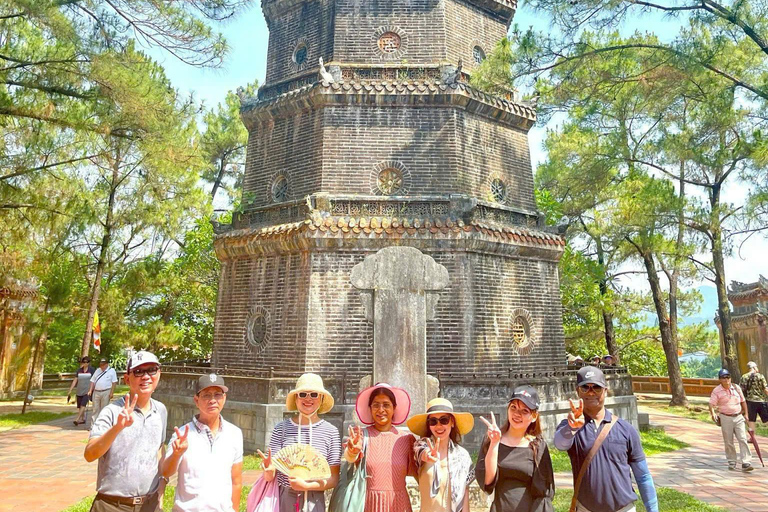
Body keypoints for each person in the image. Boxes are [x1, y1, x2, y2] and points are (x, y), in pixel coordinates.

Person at [555, 366, 658, 512]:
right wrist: (572, 428)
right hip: (586, 508)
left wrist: (653, 509)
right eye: (585, 388)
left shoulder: (625, 429)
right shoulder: (571, 427)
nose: (591, 393)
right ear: (578, 391)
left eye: (596, 387)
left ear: (605, 390)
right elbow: (560, 444)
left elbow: (643, 476)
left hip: (623, 508)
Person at [84, 350, 167, 511]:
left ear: (159, 374)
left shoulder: (161, 410)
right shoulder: (112, 411)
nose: (146, 376)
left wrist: (162, 486)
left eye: (151, 370)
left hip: (150, 504)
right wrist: (117, 427)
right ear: (127, 379)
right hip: (112, 505)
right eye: (138, 372)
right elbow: (89, 454)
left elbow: (158, 449)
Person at [162, 373, 243, 512]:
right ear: (196, 400)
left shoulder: (234, 433)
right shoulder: (182, 435)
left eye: (217, 394)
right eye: (206, 395)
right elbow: (165, 472)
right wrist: (176, 454)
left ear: (224, 398)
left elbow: (236, 482)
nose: (212, 400)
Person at [261, 373, 341, 512]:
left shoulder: (331, 432)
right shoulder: (281, 429)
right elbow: (272, 472)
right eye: (303, 394)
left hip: (315, 499)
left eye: (314, 394)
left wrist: (306, 486)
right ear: (296, 398)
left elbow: (333, 478)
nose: (308, 399)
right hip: (283, 498)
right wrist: (268, 472)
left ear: (321, 398)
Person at [475, 385, 554, 512]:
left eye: (524, 411)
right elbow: (488, 482)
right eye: (514, 408)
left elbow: (543, 494)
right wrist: (494, 443)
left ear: (534, 416)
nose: (517, 414)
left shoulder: (538, 446)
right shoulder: (493, 439)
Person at [344, 382, 416, 512]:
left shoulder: (406, 439)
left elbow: (420, 475)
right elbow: (350, 458)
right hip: (368, 504)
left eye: (386, 405)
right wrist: (352, 451)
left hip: (399, 504)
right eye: (376, 405)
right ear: (370, 408)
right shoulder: (361, 436)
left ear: (394, 408)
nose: (381, 410)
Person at [406, 398, 474, 512]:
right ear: (428, 425)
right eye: (433, 421)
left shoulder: (463, 456)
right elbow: (420, 452)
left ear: (452, 422)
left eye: (444, 420)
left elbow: (465, 494)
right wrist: (427, 456)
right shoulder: (421, 446)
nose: (438, 426)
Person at [709, 368, 753, 471]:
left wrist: (746, 414)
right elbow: (711, 403)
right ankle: (732, 461)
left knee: (742, 439)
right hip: (725, 417)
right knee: (728, 441)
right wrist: (713, 413)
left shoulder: (736, 388)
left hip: (738, 416)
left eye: (728, 377)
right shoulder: (717, 390)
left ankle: (746, 462)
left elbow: (743, 401)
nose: (726, 379)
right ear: (720, 379)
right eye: (723, 378)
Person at [88, 357, 119, 428]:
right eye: (101, 364)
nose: (102, 366)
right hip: (96, 391)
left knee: (104, 409)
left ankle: (103, 425)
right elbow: (92, 381)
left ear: (107, 364)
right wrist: (90, 390)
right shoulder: (97, 370)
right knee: (95, 409)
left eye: (103, 365)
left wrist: (112, 392)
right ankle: (93, 426)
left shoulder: (111, 371)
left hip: (106, 391)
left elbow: (114, 382)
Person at [68, 356, 95, 426]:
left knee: (83, 404)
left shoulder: (91, 370)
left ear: (88, 363)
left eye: (86, 362)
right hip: (79, 390)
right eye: (83, 362)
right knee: (80, 406)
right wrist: (70, 389)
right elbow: (75, 380)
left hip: (87, 391)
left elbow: (94, 380)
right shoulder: (79, 370)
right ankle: (82, 418)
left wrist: (91, 390)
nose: (84, 363)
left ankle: (77, 419)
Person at [741, 361, 768, 433]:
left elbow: (741, 390)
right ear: (754, 367)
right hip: (761, 400)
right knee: (766, 419)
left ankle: (752, 437)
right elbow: (765, 389)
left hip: (750, 401)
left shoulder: (744, 377)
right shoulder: (760, 376)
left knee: (751, 420)